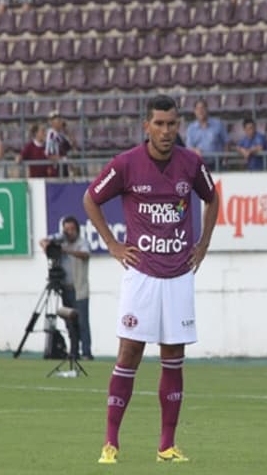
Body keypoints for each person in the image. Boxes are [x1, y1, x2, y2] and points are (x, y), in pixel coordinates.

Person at [83, 95, 219, 464]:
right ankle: (110, 442)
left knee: (174, 355)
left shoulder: (191, 162)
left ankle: (167, 446)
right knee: (130, 352)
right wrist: (112, 244)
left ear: (179, 125)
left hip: (178, 276)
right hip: (141, 275)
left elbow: (212, 197)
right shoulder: (126, 164)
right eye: (159, 124)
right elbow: (91, 198)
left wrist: (202, 244)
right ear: (147, 127)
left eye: (172, 124)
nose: (165, 131)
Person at [39, 215, 92, 360]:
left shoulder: (82, 243)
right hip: (65, 288)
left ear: (77, 230)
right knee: (69, 322)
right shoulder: (60, 240)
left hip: (79, 289)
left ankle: (86, 352)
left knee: (82, 322)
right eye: (66, 229)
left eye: (72, 229)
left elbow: (85, 254)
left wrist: (65, 251)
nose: (69, 232)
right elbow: (43, 241)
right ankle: (74, 352)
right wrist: (49, 246)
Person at [185, 98, 229, 168]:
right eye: (197, 109)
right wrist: (195, 150)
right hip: (199, 164)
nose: (200, 111)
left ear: (207, 109)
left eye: (202, 108)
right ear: (194, 111)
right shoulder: (191, 128)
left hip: (217, 164)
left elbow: (226, 142)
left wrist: (225, 160)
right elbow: (188, 147)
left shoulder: (218, 124)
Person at [46, 111, 73, 177]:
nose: (60, 122)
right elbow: (48, 153)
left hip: (63, 164)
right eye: (57, 120)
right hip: (56, 166)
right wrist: (60, 158)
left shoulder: (62, 134)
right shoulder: (51, 135)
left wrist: (67, 131)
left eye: (60, 120)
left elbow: (71, 145)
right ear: (52, 123)